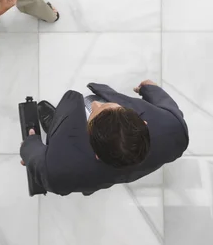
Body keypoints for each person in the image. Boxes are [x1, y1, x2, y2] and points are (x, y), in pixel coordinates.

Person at [20, 80, 189, 196]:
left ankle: (56, 128)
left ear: (97, 155)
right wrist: (150, 88)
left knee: (82, 177)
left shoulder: (58, 171)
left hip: (80, 169)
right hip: (103, 173)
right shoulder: (175, 129)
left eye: (92, 114)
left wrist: (31, 144)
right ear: (143, 123)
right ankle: (89, 186)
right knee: (91, 181)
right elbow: (168, 106)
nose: (94, 103)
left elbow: (37, 161)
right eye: (109, 106)